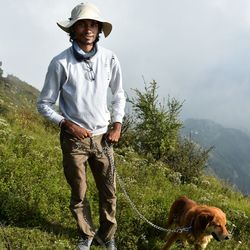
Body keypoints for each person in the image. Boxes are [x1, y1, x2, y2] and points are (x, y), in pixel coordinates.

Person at [37, 3, 126, 250]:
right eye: (83, 24)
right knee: (79, 191)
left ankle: (107, 236)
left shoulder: (109, 58)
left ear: (99, 29)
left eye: (93, 24)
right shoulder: (60, 63)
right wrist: (66, 123)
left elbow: (119, 94)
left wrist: (117, 124)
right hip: (73, 139)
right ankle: (86, 234)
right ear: (73, 29)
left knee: (109, 191)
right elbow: (43, 104)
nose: (88, 29)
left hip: (103, 138)